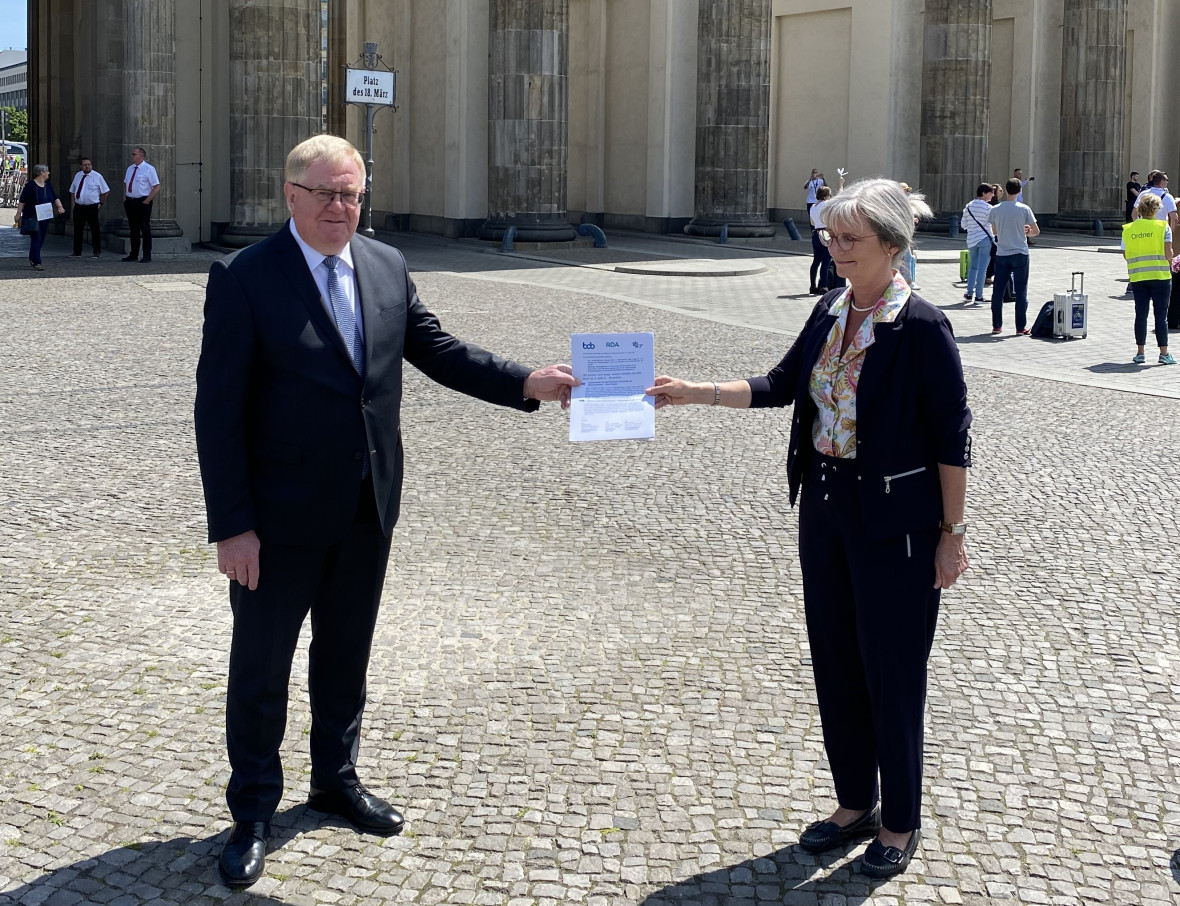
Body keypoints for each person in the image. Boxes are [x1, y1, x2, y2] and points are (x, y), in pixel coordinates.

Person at [194, 134, 579, 890]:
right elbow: (218, 411)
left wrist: (527, 381)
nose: (342, 207)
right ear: (291, 194)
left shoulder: (385, 265)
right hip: (274, 524)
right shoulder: (244, 278)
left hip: (368, 507)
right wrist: (230, 524)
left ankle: (334, 781)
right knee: (261, 670)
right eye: (328, 194)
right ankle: (253, 812)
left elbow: (438, 350)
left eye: (353, 194)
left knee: (346, 658)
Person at [647, 178, 971, 880]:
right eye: (831, 236)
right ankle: (855, 801)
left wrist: (952, 531)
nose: (835, 247)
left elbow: (953, 437)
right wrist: (695, 391)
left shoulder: (921, 326)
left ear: (893, 246)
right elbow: (781, 383)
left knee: (892, 672)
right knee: (836, 661)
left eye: (850, 239)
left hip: (897, 523)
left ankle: (900, 818)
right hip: (825, 509)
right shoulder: (829, 309)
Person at [1121, 193, 1175, 365]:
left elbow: (1125, 254)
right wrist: (1172, 257)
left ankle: (1140, 352)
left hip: (1138, 277)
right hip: (1160, 276)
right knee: (1161, 316)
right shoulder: (1163, 226)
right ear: (1157, 209)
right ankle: (1164, 353)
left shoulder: (1129, 229)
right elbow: (1168, 254)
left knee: (1141, 315)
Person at [987, 177, 1039, 334]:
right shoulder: (1024, 209)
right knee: (1021, 291)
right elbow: (1036, 231)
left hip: (1002, 253)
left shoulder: (995, 209)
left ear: (1006, 190)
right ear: (1019, 191)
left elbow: (994, 231)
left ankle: (997, 326)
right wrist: (1028, 231)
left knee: (998, 291)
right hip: (1020, 252)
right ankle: (1020, 327)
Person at [14, 164, 66, 271]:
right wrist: (18, 213)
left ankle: (33, 256)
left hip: (45, 215)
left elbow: (55, 197)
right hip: (33, 215)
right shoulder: (30, 186)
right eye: (47, 171)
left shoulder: (48, 185)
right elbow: (22, 200)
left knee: (41, 238)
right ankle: (37, 261)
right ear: (41, 173)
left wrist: (60, 207)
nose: (49, 173)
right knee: (36, 238)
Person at [122, 145, 159, 262]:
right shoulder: (130, 169)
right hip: (130, 201)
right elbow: (126, 183)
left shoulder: (149, 169)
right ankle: (134, 254)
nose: (132, 156)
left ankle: (147, 255)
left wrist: (147, 201)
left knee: (145, 228)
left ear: (141, 156)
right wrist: (125, 198)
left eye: (134, 154)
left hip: (142, 201)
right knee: (133, 229)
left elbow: (156, 186)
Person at [807, 174, 844, 294]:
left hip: (816, 233)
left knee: (816, 261)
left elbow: (812, 222)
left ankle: (812, 285)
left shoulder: (813, 206)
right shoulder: (827, 204)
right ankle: (823, 285)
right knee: (826, 261)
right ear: (827, 196)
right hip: (826, 233)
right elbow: (841, 198)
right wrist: (841, 184)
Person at [68, 157, 110, 259]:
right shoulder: (78, 176)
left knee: (94, 229)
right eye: (85, 165)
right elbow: (72, 191)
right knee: (78, 229)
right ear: (81, 166)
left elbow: (105, 191)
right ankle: (77, 251)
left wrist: (101, 203)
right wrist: (73, 205)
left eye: (89, 164)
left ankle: (97, 251)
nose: (87, 166)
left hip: (92, 207)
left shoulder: (97, 176)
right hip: (79, 207)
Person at [961, 183, 994, 306]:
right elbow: (993, 223)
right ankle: (979, 296)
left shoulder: (968, 207)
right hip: (985, 238)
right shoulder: (988, 208)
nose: (993, 195)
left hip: (971, 240)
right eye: (991, 192)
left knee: (973, 267)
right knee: (982, 268)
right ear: (984, 193)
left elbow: (963, 225)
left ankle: (969, 293)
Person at [898, 182, 920, 289]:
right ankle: (908, 282)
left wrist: (912, 219)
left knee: (904, 258)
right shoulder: (900, 202)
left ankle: (902, 281)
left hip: (903, 233)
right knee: (906, 257)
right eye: (905, 190)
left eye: (908, 190)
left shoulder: (902, 202)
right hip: (901, 233)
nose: (907, 192)